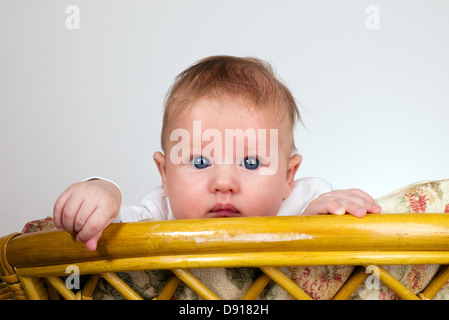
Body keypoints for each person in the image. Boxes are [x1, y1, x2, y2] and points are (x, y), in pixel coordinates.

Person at [53, 55, 381, 251]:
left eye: (251, 162)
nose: (224, 182)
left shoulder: (301, 204)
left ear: (287, 178)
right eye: (200, 161)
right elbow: (113, 225)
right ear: (165, 176)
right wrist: (103, 191)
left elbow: (332, 241)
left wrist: (328, 216)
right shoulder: (160, 213)